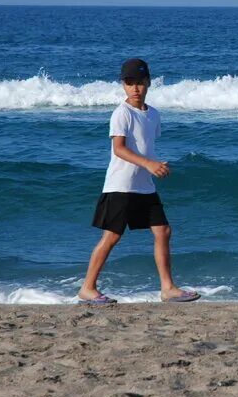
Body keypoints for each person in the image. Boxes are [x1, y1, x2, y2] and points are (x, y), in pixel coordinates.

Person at [78, 58, 200, 305]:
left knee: (163, 231)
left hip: (144, 185)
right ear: (123, 85)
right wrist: (149, 164)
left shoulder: (153, 114)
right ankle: (87, 288)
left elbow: (146, 146)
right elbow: (120, 149)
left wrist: (155, 164)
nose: (135, 88)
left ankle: (167, 288)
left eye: (140, 83)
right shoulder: (121, 113)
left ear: (148, 83)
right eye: (129, 83)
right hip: (121, 185)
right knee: (112, 236)